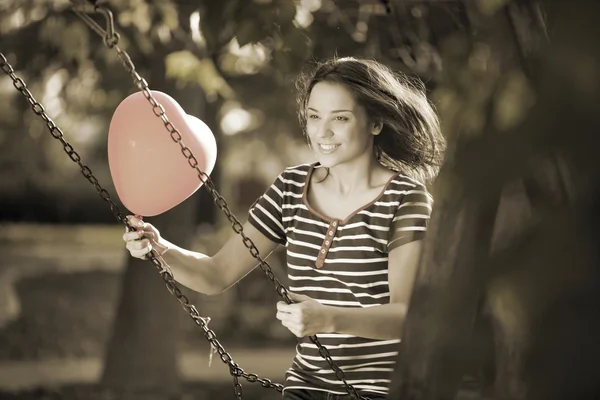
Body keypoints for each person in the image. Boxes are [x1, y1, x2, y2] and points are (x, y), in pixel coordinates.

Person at [123, 56, 446, 400]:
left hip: (378, 390)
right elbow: (216, 274)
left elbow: (405, 315)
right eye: (314, 117)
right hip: (304, 388)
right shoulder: (290, 189)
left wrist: (327, 319)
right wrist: (161, 249)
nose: (322, 132)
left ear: (375, 122)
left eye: (340, 118)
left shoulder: (404, 199)